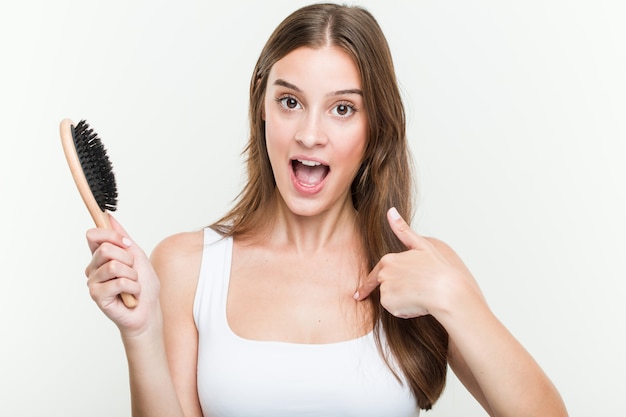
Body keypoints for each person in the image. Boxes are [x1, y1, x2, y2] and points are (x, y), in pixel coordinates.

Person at [85, 3, 568, 416]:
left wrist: (454, 298)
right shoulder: (189, 266)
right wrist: (142, 332)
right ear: (262, 106)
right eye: (290, 101)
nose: (310, 133)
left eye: (342, 109)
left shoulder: (422, 267)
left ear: (374, 125)